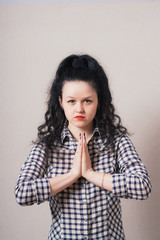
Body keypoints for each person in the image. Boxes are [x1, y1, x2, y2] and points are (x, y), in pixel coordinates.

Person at [15, 54, 151, 240]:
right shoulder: (46, 147)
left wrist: (90, 174)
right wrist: (72, 175)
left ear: (99, 101)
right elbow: (22, 193)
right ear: (61, 102)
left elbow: (142, 186)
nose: (79, 109)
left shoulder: (118, 142)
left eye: (87, 100)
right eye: (72, 101)